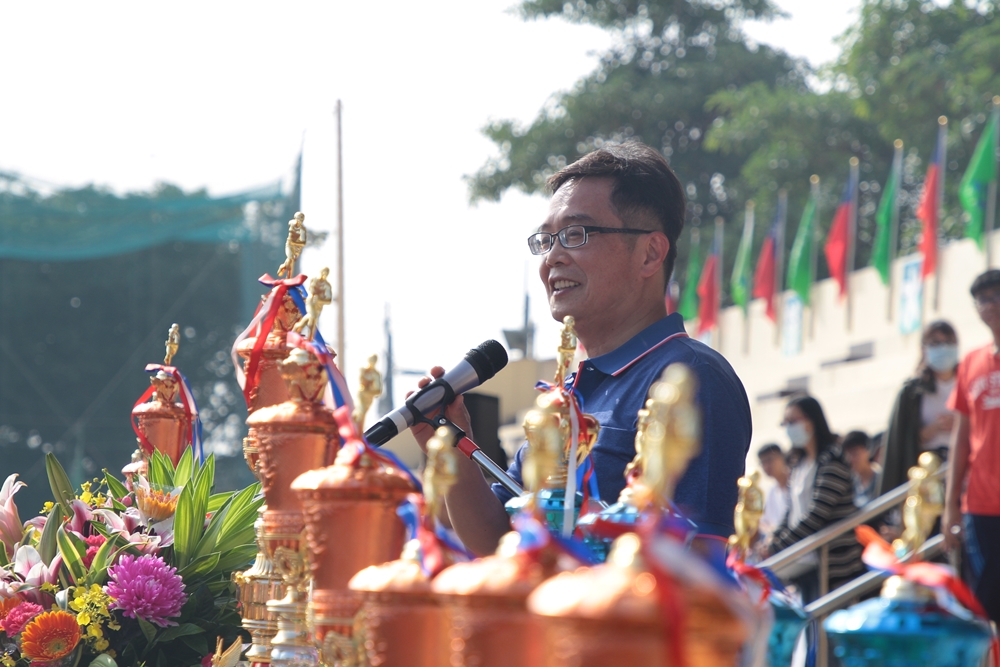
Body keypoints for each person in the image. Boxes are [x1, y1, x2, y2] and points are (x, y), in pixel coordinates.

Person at [411, 142, 752, 556]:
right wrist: (451, 445)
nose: (553, 257)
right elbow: (498, 545)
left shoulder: (688, 378)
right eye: (546, 239)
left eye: (576, 235)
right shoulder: (565, 393)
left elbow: (698, 561)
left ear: (650, 254)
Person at [764, 395, 865, 602]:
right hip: (804, 558)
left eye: (794, 421)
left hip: (831, 560)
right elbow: (791, 510)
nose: (789, 428)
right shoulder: (798, 462)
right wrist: (774, 538)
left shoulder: (832, 458)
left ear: (812, 421)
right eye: (785, 423)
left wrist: (778, 546)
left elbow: (817, 513)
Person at [943, 269, 1000, 624]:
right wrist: (951, 505)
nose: (990, 305)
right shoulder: (970, 363)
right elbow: (960, 438)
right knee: (984, 606)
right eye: (983, 299)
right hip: (980, 504)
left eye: (996, 296)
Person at [882, 320, 959, 494]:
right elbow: (902, 440)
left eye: (948, 342)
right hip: (926, 471)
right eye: (936, 343)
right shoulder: (912, 392)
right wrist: (930, 431)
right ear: (924, 348)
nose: (943, 348)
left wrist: (959, 425)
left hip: (963, 466)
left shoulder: (969, 384)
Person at [757, 444, 790, 539]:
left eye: (769, 460)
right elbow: (764, 522)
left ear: (782, 457)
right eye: (763, 462)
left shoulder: (796, 483)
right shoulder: (772, 491)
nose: (766, 466)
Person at [842, 430, 882, 508]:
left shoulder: (881, 479)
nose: (851, 459)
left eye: (854, 453)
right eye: (847, 456)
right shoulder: (850, 485)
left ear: (868, 451)